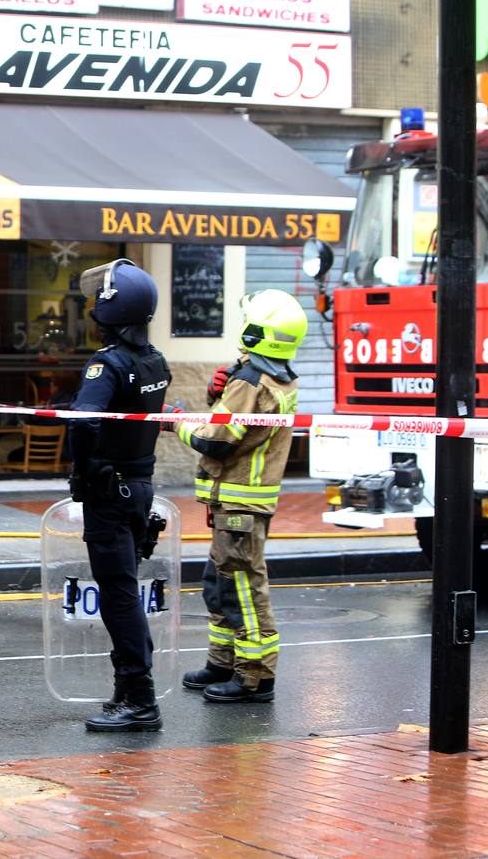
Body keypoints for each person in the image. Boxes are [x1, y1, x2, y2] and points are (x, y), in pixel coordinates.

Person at [173, 289, 307, 704]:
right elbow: (243, 428)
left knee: (243, 589)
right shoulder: (276, 375)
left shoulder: (250, 380)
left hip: (239, 506)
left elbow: (217, 441)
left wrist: (176, 423)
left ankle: (254, 677)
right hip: (237, 502)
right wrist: (218, 395)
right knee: (220, 582)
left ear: (257, 331)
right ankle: (222, 661)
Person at [66, 259, 172, 733]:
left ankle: (140, 698)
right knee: (124, 591)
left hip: (110, 493)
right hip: (139, 487)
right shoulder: (155, 362)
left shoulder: (106, 364)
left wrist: (86, 466)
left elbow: (85, 421)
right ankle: (128, 692)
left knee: (119, 595)